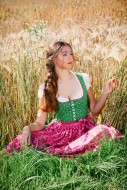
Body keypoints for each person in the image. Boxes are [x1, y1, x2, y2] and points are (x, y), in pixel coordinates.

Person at [5, 41, 123, 156]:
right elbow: (40, 123)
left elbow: (95, 110)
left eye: (71, 53)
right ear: (53, 59)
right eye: (64, 54)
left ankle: (70, 150)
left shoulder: (83, 78)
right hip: (61, 135)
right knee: (23, 139)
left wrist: (106, 92)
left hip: (85, 131)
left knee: (104, 130)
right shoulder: (46, 88)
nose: (70, 57)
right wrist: (27, 129)